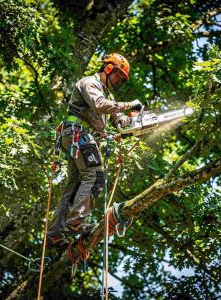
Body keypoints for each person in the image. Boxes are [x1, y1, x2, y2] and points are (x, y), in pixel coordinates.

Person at [47, 53, 142, 248]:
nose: (118, 80)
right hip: (78, 133)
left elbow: (119, 121)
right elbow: (99, 105)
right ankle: (77, 222)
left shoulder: (109, 96)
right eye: (118, 75)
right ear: (108, 68)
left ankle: (55, 233)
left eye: (122, 79)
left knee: (74, 186)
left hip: (81, 137)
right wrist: (129, 104)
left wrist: (135, 119)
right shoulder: (90, 83)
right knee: (95, 175)